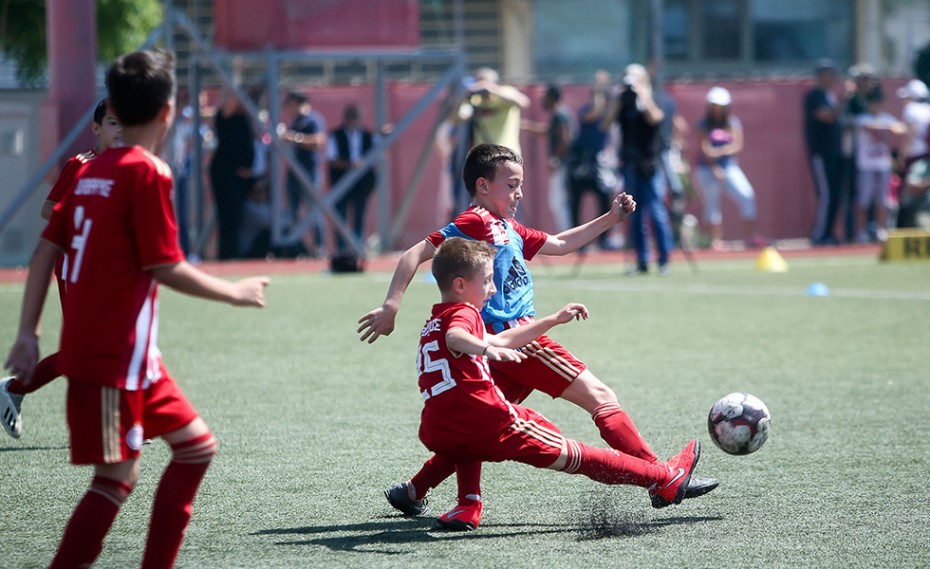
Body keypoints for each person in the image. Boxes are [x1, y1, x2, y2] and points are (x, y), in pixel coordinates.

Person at [357, 143, 716, 528]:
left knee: (480, 425)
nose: (520, 193)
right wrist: (392, 305)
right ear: (482, 186)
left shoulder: (507, 227)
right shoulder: (475, 221)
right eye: (511, 185)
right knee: (601, 397)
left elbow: (559, 245)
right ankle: (659, 478)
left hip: (500, 348)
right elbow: (413, 253)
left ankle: (416, 491)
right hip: (515, 339)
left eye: (520, 185)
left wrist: (609, 218)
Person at [3, 49, 269, 568]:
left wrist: (27, 332)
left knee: (196, 448)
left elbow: (43, 253)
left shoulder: (87, 172)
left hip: (138, 361)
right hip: (112, 361)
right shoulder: (149, 173)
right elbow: (165, 266)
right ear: (168, 112)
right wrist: (233, 291)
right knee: (115, 480)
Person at [409, 237, 714, 530]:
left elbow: (498, 338)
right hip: (493, 423)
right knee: (577, 455)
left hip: (441, 431)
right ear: (460, 285)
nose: (492, 289)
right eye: (487, 281)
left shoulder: (433, 321)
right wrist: (488, 351)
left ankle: (466, 505)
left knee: (467, 443)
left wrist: (551, 320)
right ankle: (663, 477)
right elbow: (459, 337)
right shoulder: (464, 313)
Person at [0, 98, 121, 440]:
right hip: (75, 268)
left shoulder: (127, 167)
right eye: (113, 122)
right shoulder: (81, 164)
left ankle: (14, 389)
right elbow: (48, 209)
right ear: (96, 129)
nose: (120, 129)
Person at [603, 63, 674, 275]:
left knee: (656, 210)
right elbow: (605, 125)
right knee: (634, 213)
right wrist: (617, 100)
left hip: (650, 164)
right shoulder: (624, 102)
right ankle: (642, 260)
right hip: (630, 164)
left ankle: (664, 259)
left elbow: (656, 118)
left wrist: (643, 94)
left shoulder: (653, 98)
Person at [693, 87, 763, 249]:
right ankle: (715, 242)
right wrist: (715, 168)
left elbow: (737, 145)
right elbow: (705, 150)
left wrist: (718, 151)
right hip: (706, 169)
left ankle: (750, 237)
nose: (717, 110)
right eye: (714, 107)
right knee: (712, 204)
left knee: (747, 195)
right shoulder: (703, 124)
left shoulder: (732, 122)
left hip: (729, 166)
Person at [566, 71, 619, 251]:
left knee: (604, 199)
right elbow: (594, 113)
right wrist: (598, 91)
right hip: (580, 161)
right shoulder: (586, 110)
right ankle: (577, 242)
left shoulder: (607, 117)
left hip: (597, 164)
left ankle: (604, 239)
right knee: (576, 202)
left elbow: (609, 115)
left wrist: (610, 92)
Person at [852, 86, 906, 242]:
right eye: (872, 103)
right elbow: (868, 127)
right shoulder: (862, 118)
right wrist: (888, 126)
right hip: (866, 165)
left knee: (882, 200)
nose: (875, 106)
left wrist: (891, 126)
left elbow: (901, 128)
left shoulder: (886, 117)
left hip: (882, 165)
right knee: (863, 200)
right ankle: (861, 231)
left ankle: (880, 230)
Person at [209, 80, 254, 260]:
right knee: (227, 216)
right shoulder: (224, 116)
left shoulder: (244, 117)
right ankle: (226, 256)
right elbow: (228, 102)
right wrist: (233, 80)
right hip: (225, 174)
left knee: (236, 218)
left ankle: (233, 254)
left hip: (240, 176)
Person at [327, 103, 378, 255]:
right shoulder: (335, 135)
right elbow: (331, 159)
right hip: (341, 182)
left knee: (359, 216)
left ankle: (356, 248)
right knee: (340, 217)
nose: (353, 121)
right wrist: (350, 165)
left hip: (361, 184)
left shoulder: (368, 135)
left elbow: (380, 153)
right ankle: (342, 250)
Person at [522, 84, 574, 232]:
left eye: (545, 97)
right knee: (558, 201)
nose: (542, 101)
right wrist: (527, 126)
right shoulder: (560, 113)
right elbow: (548, 131)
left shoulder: (560, 114)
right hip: (564, 163)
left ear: (551, 98)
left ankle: (567, 233)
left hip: (563, 164)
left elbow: (565, 139)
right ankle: (566, 232)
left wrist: (556, 159)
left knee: (558, 201)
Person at [280, 91, 327, 254]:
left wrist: (295, 138)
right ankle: (294, 248)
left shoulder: (313, 119)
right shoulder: (295, 121)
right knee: (292, 214)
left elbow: (318, 141)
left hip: (309, 173)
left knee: (314, 213)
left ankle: (319, 249)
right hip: (294, 173)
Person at [804, 59, 844, 245]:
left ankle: (829, 233)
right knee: (826, 194)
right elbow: (826, 115)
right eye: (829, 73)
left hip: (835, 153)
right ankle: (819, 234)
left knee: (835, 194)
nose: (833, 77)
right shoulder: (814, 95)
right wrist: (844, 101)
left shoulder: (830, 95)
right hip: (821, 153)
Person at [456, 67, 530, 155]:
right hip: (484, 154)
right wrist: (463, 97)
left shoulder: (505, 92)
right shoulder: (475, 100)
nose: (481, 85)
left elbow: (523, 102)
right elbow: (458, 118)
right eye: (478, 82)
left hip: (507, 152)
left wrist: (492, 90)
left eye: (484, 81)